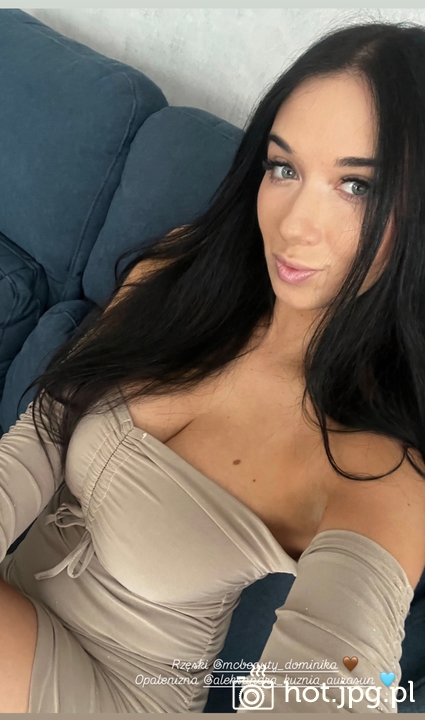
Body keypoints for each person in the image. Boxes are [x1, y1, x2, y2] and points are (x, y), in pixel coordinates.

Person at [1, 19, 425, 713]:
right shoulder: (178, 276)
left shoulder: (377, 470)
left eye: (357, 186)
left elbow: (333, 682)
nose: (294, 224)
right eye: (284, 168)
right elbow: (43, 435)